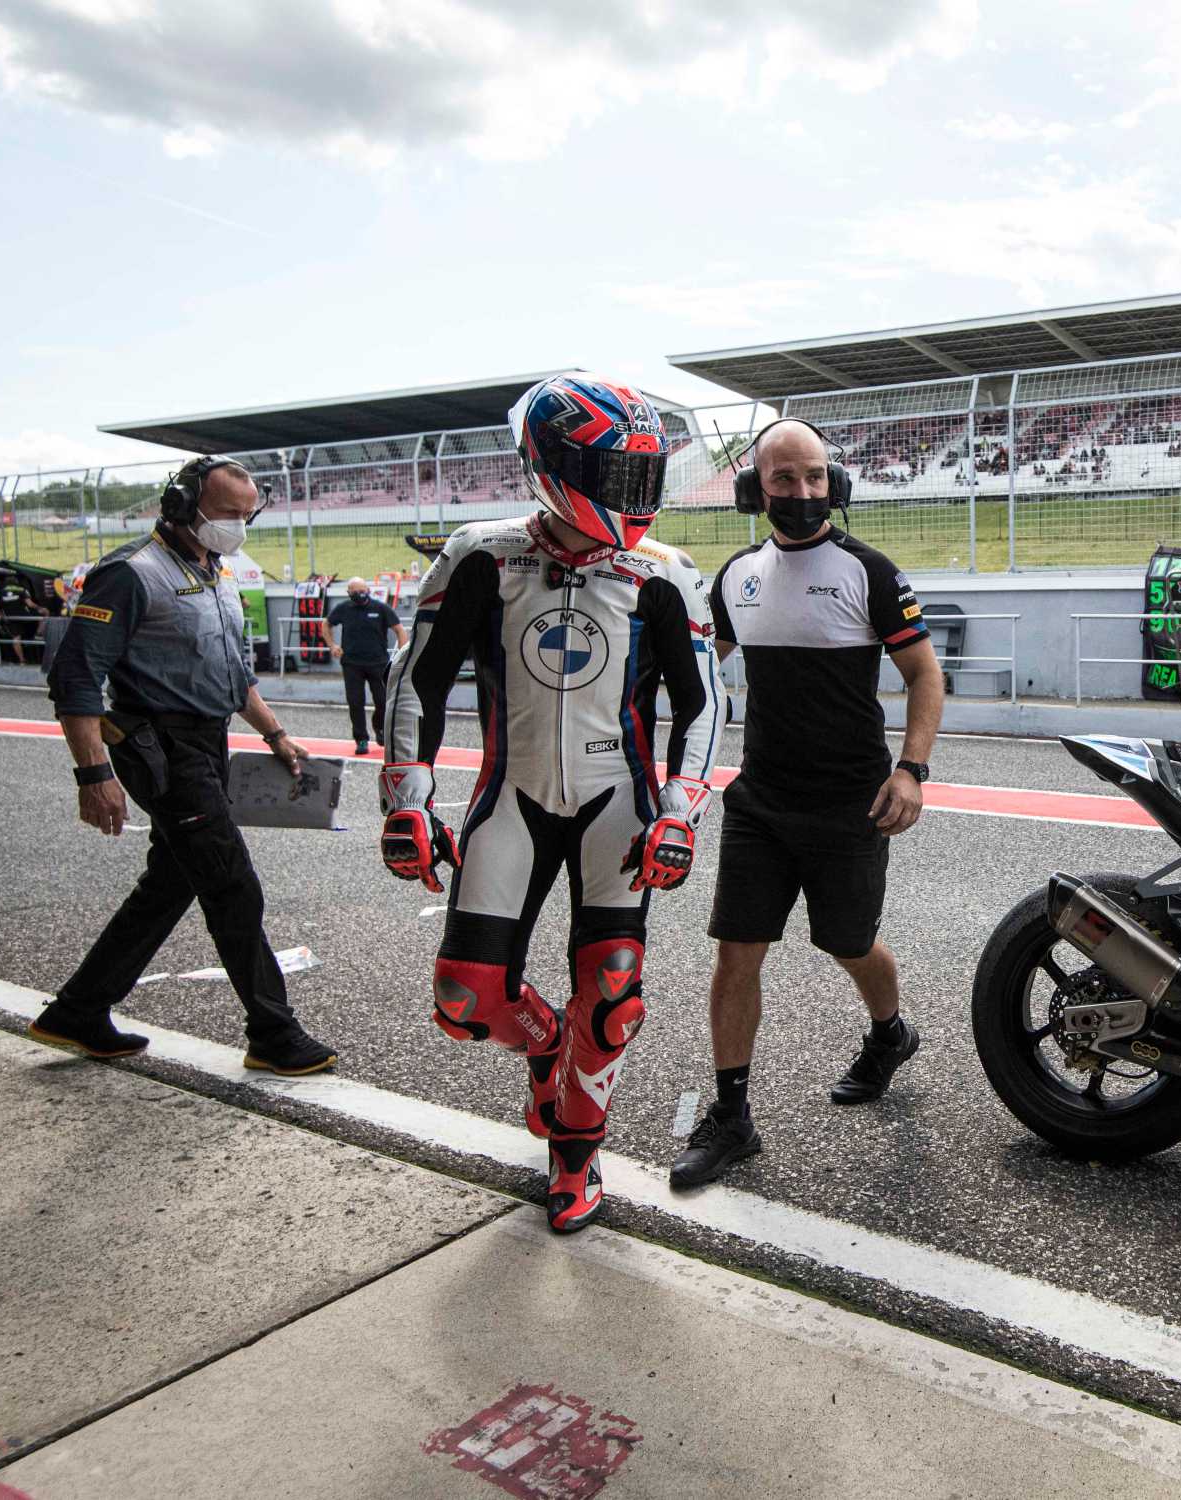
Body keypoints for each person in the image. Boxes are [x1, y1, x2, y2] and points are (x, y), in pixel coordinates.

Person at [380, 373, 718, 1234]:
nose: (634, 492)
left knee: (612, 994)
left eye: (644, 473)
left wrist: (679, 808)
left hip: (620, 809)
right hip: (511, 797)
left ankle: (575, 1154)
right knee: (465, 1001)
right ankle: (545, 1044)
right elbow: (418, 680)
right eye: (616, 473)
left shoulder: (666, 573)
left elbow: (703, 703)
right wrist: (409, 794)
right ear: (553, 465)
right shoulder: (480, 554)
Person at [669, 419, 944, 1190]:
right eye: (784, 478)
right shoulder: (736, 575)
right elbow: (698, 668)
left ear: (835, 481)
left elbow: (924, 675)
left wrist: (911, 770)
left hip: (851, 802)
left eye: (815, 476)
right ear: (754, 490)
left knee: (848, 944)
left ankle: (889, 1034)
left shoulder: (869, 571)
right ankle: (731, 1117)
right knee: (736, 952)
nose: (803, 491)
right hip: (760, 799)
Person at [35, 456, 338, 1075]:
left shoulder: (216, 572)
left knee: (171, 884)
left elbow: (236, 674)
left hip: (208, 742)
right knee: (232, 884)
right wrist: (94, 776)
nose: (237, 526)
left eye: (246, 514)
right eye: (226, 513)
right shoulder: (130, 573)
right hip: (161, 746)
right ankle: (273, 1033)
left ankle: (78, 1011)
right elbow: (76, 678)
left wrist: (275, 734)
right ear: (179, 504)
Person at [320, 576, 406, 755]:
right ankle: (361, 739)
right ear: (349, 593)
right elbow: (326, 624)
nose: (359, 594)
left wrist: (402, 655)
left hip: (378, 663)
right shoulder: (344, 608)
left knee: (383, 701)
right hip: (352, 664)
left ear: (368, 590)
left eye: (362, 591)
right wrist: (332, 645)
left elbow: (399, 629)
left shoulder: (380, 608)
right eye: (355, 592)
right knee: (355, 702)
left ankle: (380, 728)